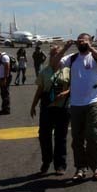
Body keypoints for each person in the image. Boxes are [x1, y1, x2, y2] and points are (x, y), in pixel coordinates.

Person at [56, 34, 97, 181]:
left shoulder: (95, 56)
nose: (82, 43)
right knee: (77, 138)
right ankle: (80, 168)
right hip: (76, 103)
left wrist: (90, 47)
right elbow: (54, 64)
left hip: (94, 100)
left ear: (90, 42)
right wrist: (65, 48)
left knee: (92, 133)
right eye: (79, 41)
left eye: (84, 41)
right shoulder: (72, 58)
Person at [30, 45, 70, 175]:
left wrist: (66, 93)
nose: (54, 56)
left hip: (62, 106)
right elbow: (39, 90)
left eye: (56, 54)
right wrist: (33, 105)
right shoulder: (44, 71)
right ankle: (46, 161)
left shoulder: (67, 71)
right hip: (47, 105)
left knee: (60, 137)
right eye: (52, 54)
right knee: (44, 135)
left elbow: (73, 87)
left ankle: (60, 165)